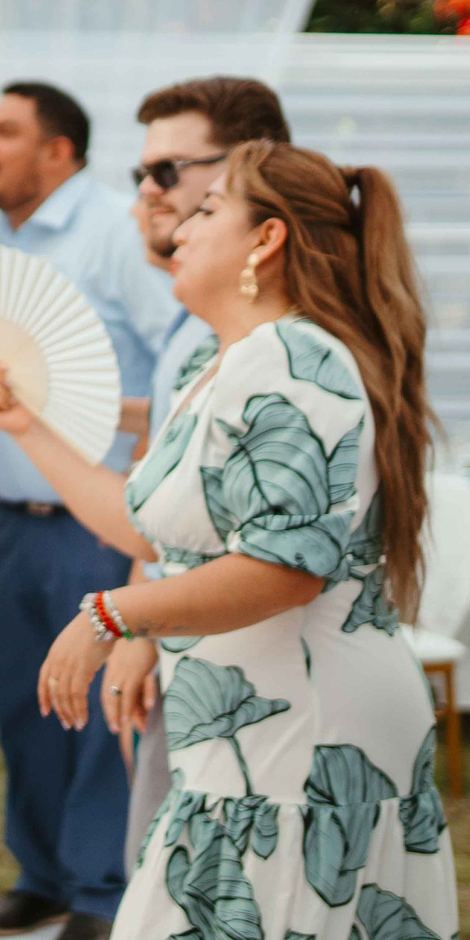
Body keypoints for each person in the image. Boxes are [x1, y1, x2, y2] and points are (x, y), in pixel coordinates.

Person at [0, 140, 452, 940]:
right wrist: (26, 427)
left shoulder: (295, 358)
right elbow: (150, 525)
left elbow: (287, 563)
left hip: (301, 754)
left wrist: (113, 615)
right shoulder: (229, 359)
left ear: (264, 241)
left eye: (203, 212)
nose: (176, 229)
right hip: (249, 750)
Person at [0, 78, 178, 940]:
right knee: (24, 701)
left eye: (5, 132)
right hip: (9, 512)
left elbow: (180, 358)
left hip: (103, 513)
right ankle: (39, 874)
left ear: (59, 150)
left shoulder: (118, 229)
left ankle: (100, 886)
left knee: (99, 703)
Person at [109, 78, 293, 865]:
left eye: (169, 172)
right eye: (141, 174)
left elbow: (271, 551)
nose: (148, 191)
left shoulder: (284, 348)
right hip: (191, 641)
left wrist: (124, 621)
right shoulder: (200, 323)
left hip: (248, 668)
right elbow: (165, 489)